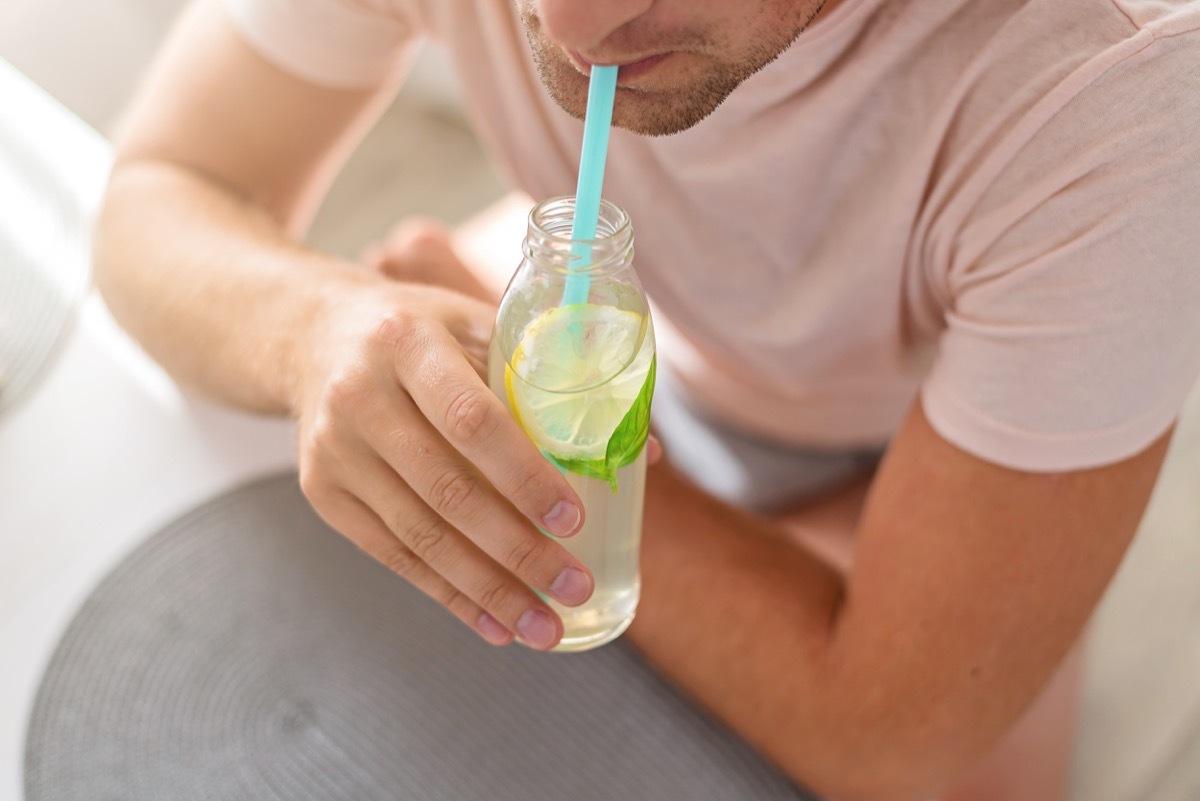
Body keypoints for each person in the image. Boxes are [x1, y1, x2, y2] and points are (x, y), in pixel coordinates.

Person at [93, 0, 1200, 799]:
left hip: (902, 453)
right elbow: (163, 192)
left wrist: (559, 463)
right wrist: (312, 327)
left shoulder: (1121, 84)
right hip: (608, 327)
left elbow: (891, 736)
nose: (569, 26)